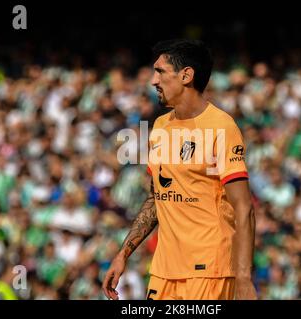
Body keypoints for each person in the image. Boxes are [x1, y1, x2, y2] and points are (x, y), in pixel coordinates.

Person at [108, 39, 256, 300]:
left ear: (186, 75)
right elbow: (157, 197)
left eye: (160, 72)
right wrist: (123, 254)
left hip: (209, 269)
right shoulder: (161, 127)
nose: (154, 80)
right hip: (164, 270)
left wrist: (243, 278)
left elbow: (244, 207)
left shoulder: (221, 127)